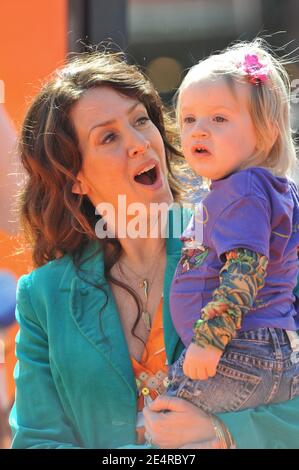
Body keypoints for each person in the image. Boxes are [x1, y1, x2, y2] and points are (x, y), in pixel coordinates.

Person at [9, 50, 299, 449]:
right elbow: (37, 440)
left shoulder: (258, 236)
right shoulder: (41, 296)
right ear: (75, 178)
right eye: (108, 137)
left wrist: (225, 435)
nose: (140, 143)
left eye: (141, 120)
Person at [167, 39, 299, 415]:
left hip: (239, 349)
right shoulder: (273, 189)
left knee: (165, 423)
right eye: (189, 119)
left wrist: (209, 341)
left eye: (219, 118)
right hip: (273, 349)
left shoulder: (243, 190)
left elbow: (246, 269)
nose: (199, 131)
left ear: (266, 132)